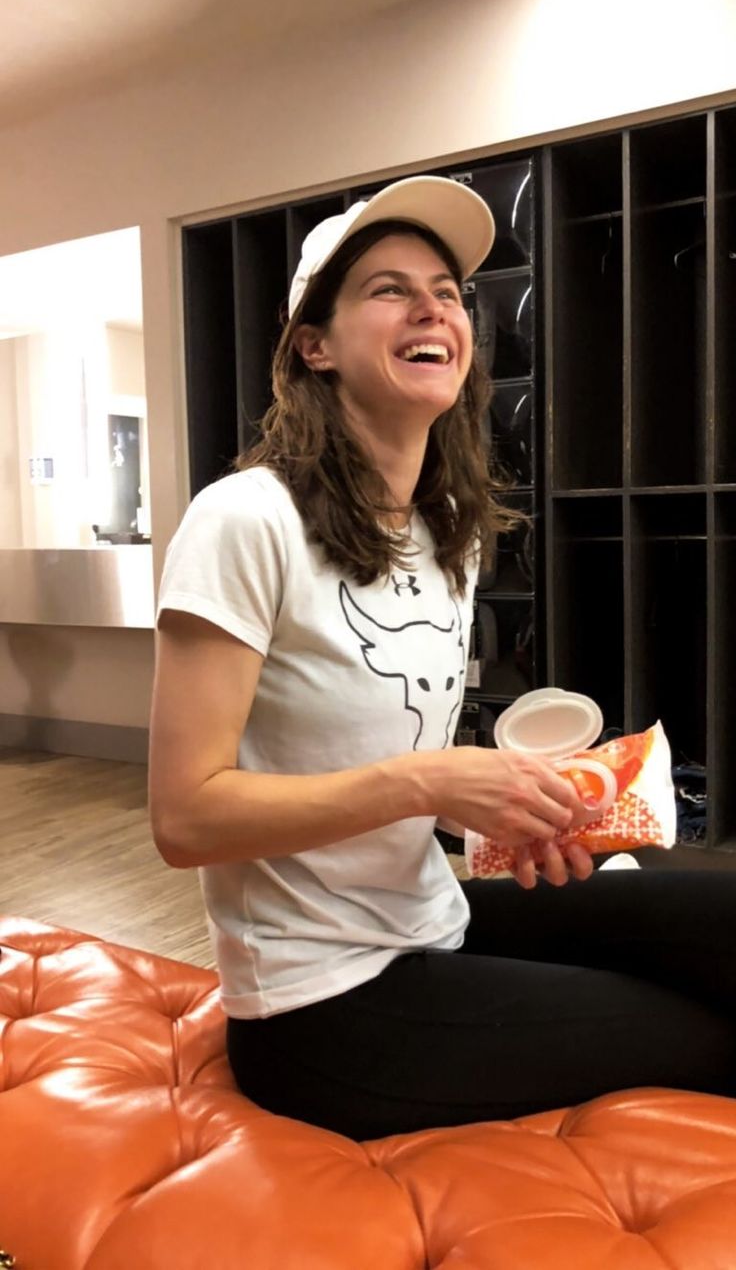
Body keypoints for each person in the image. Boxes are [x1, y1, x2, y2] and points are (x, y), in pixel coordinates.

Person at [149, 176, 736, 1141]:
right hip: (321, 1009)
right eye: (387, 289)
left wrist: (512, 820)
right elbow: (185, 817)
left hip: (433, 920)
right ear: (315, 345)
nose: (433, 308)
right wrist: (432, 781)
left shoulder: (444, 533)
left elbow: (379, 772)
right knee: (709, 1033)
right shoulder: (243, 519)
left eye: (449, 292)